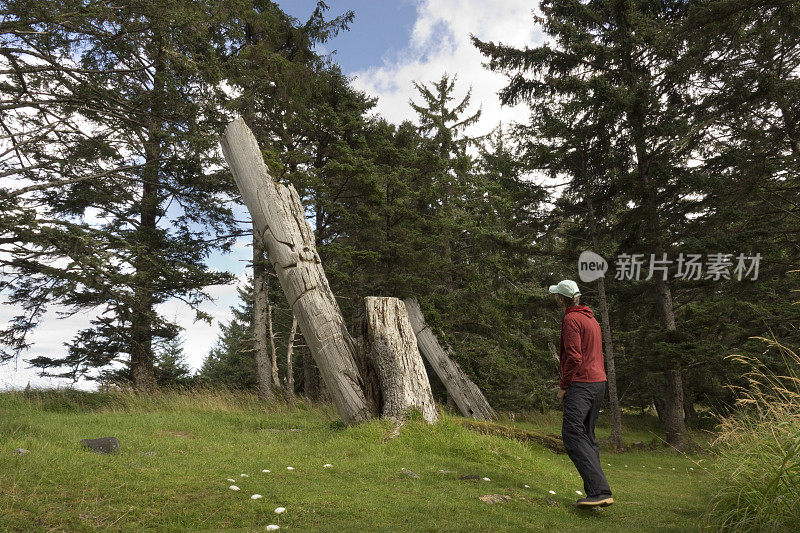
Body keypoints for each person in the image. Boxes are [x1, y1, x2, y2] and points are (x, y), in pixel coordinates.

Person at [549, 279, 614, 508]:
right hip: (599, 383)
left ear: (561, 299)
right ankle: (597, 494)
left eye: (556, 295)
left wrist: (564, 386)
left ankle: (599, 491)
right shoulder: (591, 318)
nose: (555, 297)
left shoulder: (570, 319)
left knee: (572, 433)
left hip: (582, 383)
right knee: (587, 436)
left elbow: (575, 357)